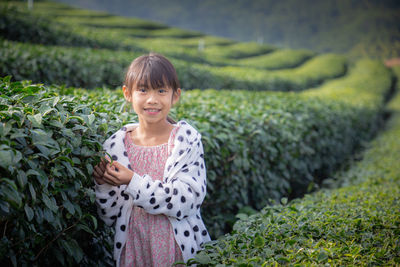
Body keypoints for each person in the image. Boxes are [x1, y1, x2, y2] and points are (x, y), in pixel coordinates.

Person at [92, 53, 211, 267]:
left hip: (177, 250)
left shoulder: (185, 141)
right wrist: (103, 185)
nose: (152, 99)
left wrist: (132, 181)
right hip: (134, 249)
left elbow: (187, 201)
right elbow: (109, 217)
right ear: (127, 93)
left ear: (175, 96)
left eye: (161, 90)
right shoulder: (115, 145)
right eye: (143, 89)